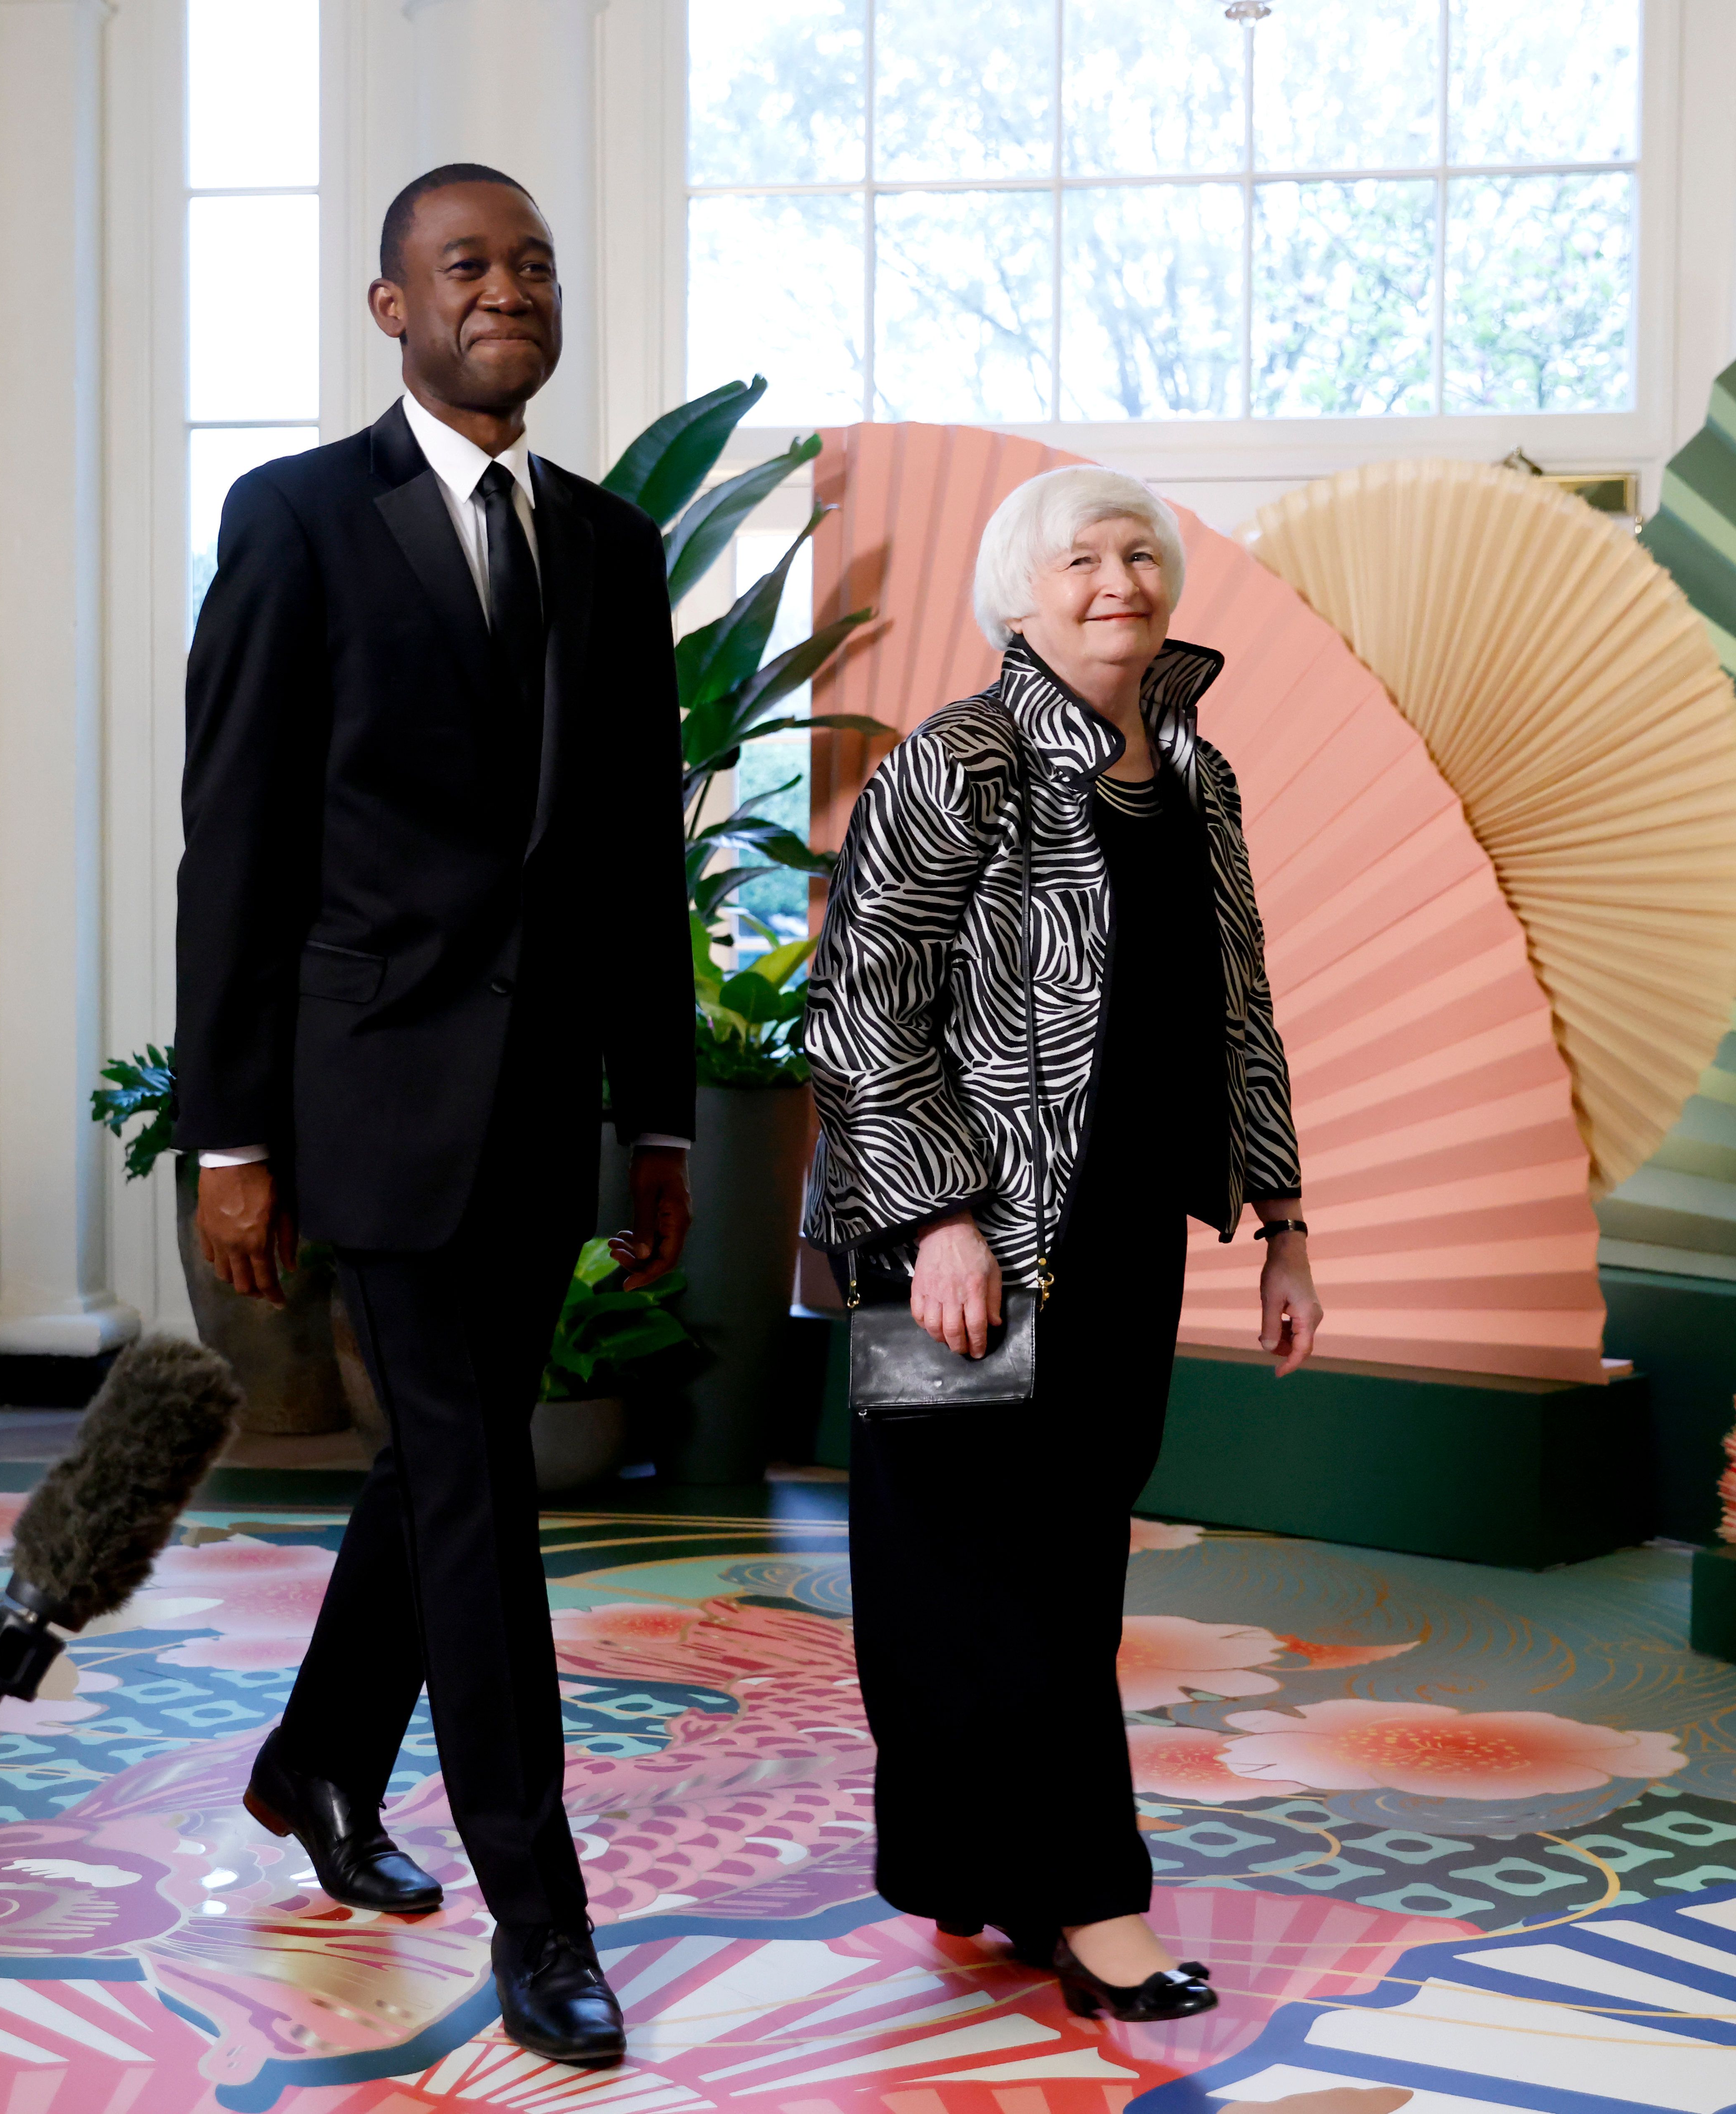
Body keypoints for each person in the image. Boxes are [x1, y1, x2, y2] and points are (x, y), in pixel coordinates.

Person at [174, 163, 694, 2068]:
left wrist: (662, 1119)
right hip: (368, 1096)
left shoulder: (613, 545)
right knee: (480, 1487)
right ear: (389, 307)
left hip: (543, 1104)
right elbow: (234, 844)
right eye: (466, 264)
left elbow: (636, 857)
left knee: (433, 1467)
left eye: (533, 262)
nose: (508, 288)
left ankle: (317, 1763)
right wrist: (232, 1137)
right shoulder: (297, 520)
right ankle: (541, 1914)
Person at [801, 466, 1319, 2022]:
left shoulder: (1200, 780)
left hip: (1120, 1237)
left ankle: (996, 1873)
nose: (1119, 579)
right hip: (954, 1243)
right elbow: (864, 1006)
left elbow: (1241, 1011)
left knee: (1066, 1562)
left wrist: (1285, 1223)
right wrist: (936, 1220)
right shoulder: (951, 765)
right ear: (1017, 596)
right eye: (1080, 558)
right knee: (969, 1571)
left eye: (1139, 552)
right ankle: (1092, 1903)